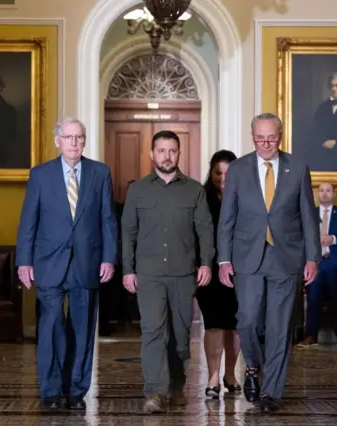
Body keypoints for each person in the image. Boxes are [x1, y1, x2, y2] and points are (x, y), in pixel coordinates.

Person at [218, 112, 321, 413]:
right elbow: (227, 218)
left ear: (280, 136)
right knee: (247, 320)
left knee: (279, 327)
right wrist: (224, 259)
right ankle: (253, 366)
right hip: (247, 256)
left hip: (286, 256)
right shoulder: (237, 169)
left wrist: (312, 257)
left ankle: (271, 392)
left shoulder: (297, 167)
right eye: (260, 139)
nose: (265, 144)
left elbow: (308, 216)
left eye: (271, 138)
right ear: (252, 138)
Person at [16, 117, 118, 411]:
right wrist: (24, 261)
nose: (74, 143)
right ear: (57, 141)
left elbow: (107, 219)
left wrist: (109, 257)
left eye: (79, 137)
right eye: (69, 137)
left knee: (83, 328)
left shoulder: (100, 173)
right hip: (48, 262)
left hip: (87, 262)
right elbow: (28, 221)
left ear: (84, 141)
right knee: (50, 325)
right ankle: (50, 390)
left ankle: (75, 390)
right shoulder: (40, 175)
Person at [121, 130, 214, 413]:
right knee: (153, 332)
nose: (167, 156)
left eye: (172, 150)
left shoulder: (195, 190)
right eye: (161, 150)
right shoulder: (137, 190)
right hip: (148, 274)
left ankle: (175, 385)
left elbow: (205, 230)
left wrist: (207, 262)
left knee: (180, 335)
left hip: (183, 274)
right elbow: (128, 231)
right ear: (152, 154)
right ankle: (155, 392)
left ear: (179, 153)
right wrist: (127, 269)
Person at [195, 150, 241, 399]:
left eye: (228, 172)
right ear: (210, 172)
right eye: (217, 172)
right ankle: (213, 377)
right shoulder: (201, 197)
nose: (223, 177)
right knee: (214, 324)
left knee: (234, 327)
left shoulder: (246, 195)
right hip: (209, 269)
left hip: (239, 269)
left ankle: (231, 374)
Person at [297, 182, 337, 349]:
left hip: (335, 263)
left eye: (328, 191)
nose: (324, 194)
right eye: (321, 190)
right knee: (313, 299)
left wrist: (333, 239)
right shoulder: (310, 212)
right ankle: (310, 335)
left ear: (333, 194)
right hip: (315, 263)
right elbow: (302, 234)